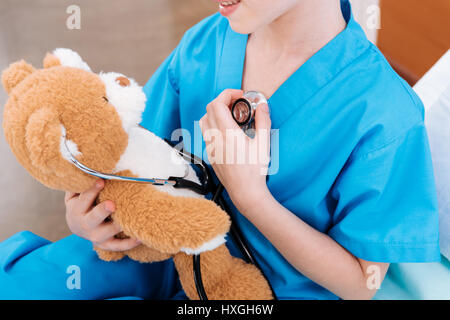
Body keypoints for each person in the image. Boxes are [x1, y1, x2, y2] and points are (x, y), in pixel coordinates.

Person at [0, 0, 440, 300]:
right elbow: (126, 155)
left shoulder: (384, 114)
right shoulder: (205, 43)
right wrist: (85, 212)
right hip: (162, 250)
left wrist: (253, 199)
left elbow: (361, 285)